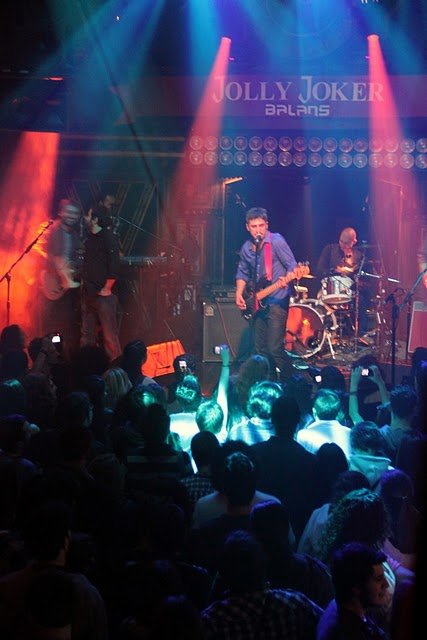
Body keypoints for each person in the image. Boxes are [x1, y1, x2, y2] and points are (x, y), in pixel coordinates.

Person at [235, 207, 300, 382]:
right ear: (247, 227)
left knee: (274, 348)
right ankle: (267, 382)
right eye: (254, 226)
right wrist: (239, 293)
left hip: (277, 300)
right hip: (258, 303)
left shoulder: (276, 241)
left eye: (261, 226)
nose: (258, 230)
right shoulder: (247, 248)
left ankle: (292, 381)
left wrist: (289, 277)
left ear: (267, 225)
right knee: (260, 349)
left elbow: (292, 265)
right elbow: (242, 272)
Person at [317, 542, 389, 640]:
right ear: (356, 587)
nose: (386, 584)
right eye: (379, 579)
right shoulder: (345, 633)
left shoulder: (344, 607)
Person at [39, 199, 83, 353]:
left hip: (64, 287)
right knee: (51, 326)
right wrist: (65, 278)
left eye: (75, 213)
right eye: (69, 212)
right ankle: (48, 357)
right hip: (53, 283)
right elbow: (54, 256)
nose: (72, 216)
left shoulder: (74, 235)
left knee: (66, 324)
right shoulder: (54, 230)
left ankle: (64, 356)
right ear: (61, 212)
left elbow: (76, 257)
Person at [80, 205, 122, 361]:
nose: (85, 218)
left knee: (109, 336)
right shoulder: (90, 239)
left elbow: (114, 265)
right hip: (88, 294)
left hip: (103, 295)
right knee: (87, 335)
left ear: (95, 219)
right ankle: (87, 366)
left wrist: (107, 287)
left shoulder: (108, 237)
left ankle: (116, 368)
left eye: (88, 215)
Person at [316, 226, 372, 337]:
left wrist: (352, 274)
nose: (342, 245)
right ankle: (321, 334)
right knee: (319, 301)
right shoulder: (330, 250)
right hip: (329, 289)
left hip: (349, 292)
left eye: (346, 243)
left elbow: (365, 280)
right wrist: (335, 270)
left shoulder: (359, 256)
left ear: (354, 241)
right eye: (341, 241)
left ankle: (360, 335)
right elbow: (319, 269)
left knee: (360, 300)